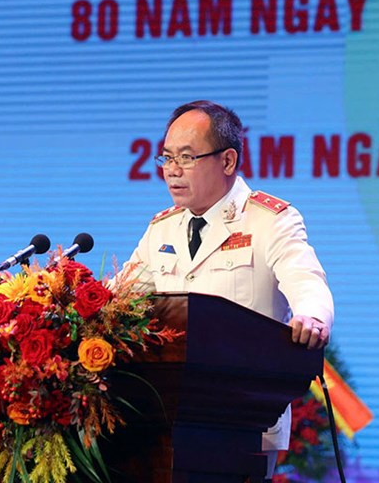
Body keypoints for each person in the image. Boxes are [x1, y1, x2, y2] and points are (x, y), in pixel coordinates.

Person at [122, 100, 334, 478]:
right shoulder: (162, 229)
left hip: (244, 421)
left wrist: (312, 316)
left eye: (186, 157)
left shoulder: (270, 220)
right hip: (164, 418)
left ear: (228, 161)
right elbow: (121, 300)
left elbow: (306, 279)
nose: (172, 171)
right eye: (167, 158)